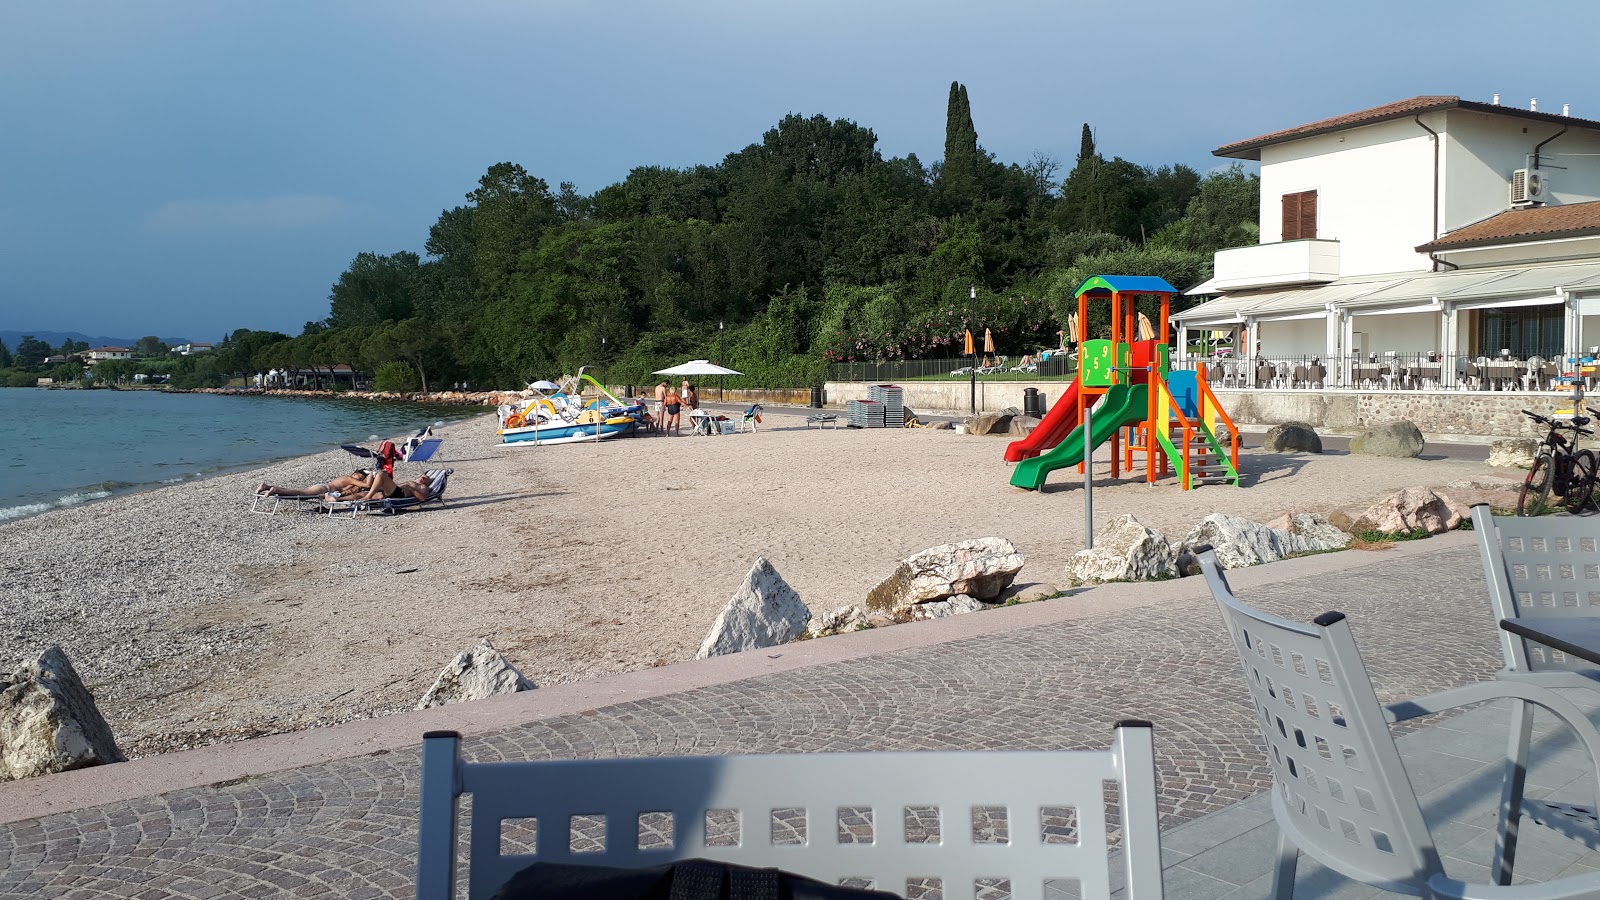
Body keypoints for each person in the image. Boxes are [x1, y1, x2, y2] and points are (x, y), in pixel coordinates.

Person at [257, 470, 376, 498]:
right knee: (300, 493)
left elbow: (353, 488)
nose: (359, 480)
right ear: (354, 473)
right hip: (324, 488)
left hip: (323, 486)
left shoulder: (347, 479)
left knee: (299, 491)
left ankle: (266, 487)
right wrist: (371, 474)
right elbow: (366, 486)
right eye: (359, 477)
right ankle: (274, 490)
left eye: (361, 478)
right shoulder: (349, 478)